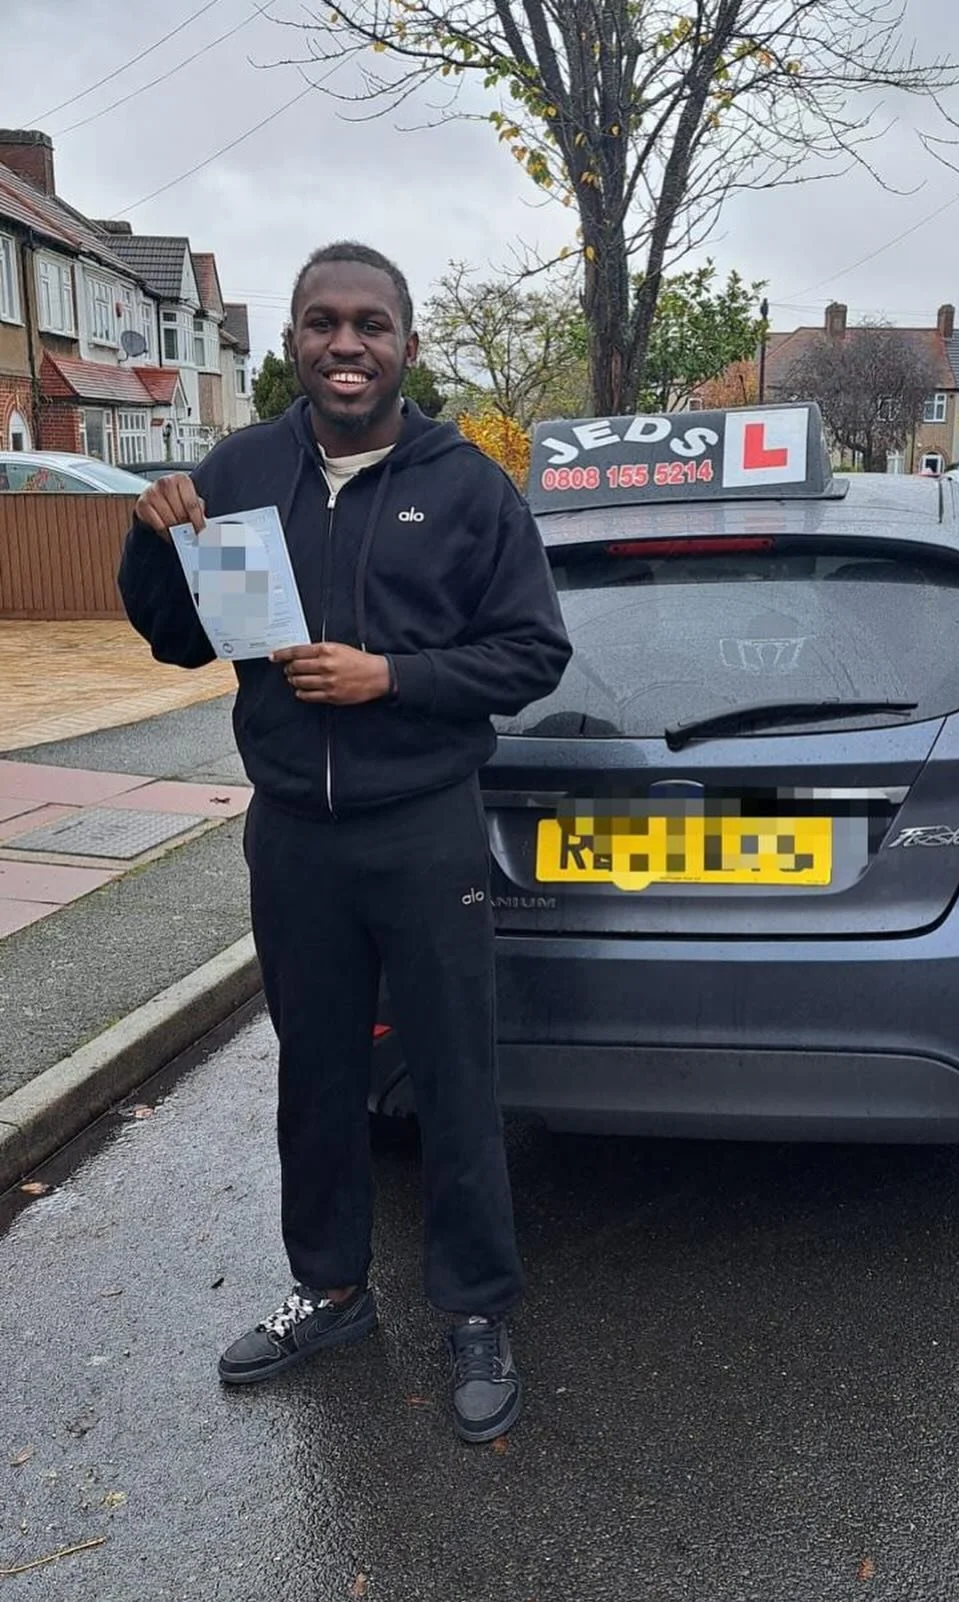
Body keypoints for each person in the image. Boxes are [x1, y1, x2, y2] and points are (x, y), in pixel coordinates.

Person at [118, 241, 571, 1444]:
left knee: (452, 1072)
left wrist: (394, 678)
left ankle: (475, 1308)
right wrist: (150, 532)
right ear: (295, 344)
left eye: (371, 323)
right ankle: (329, 1291)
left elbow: (533, 654)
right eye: (323, 322)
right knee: (316, 1070)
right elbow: (176, 638)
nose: (346, 343)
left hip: (423, 826)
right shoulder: (243, 467)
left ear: (406, 346)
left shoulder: (467, 485)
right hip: (294, 836)